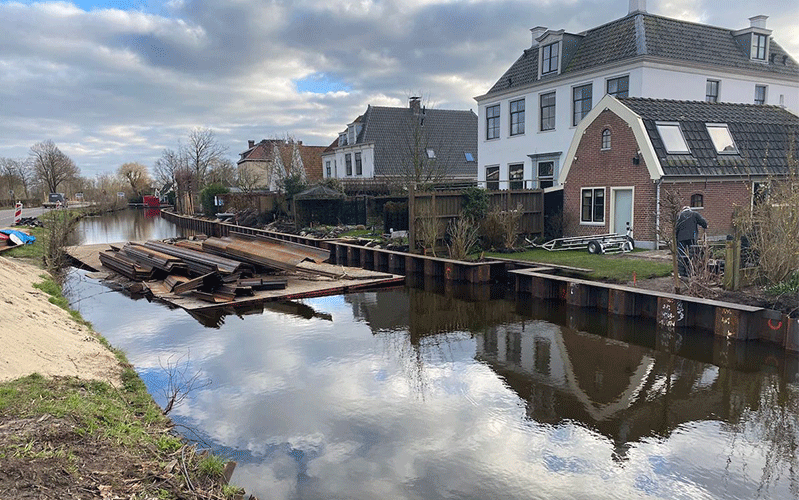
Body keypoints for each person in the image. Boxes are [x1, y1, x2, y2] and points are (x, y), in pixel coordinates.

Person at [675, 206, 708, 277]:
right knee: (693, 254)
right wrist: (705, 226)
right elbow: (703, 222)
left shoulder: (679, 216)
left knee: (681, 255)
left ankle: (682, 273)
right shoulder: (694, 214)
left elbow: (676, 228)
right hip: (692, 237)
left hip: (681, 238)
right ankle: (691, 271)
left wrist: (676, 238)